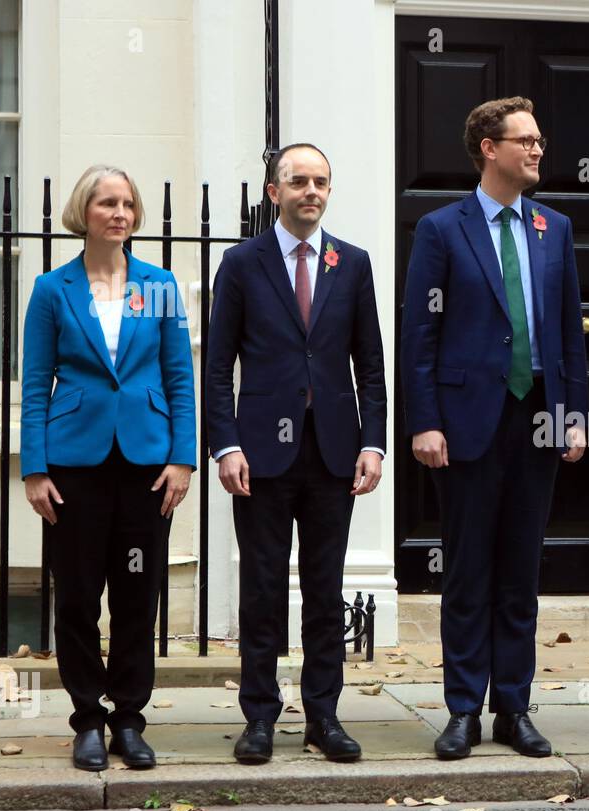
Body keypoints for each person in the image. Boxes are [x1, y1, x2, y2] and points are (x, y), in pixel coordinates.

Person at [401, 96, 589, 760]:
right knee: (469, 569)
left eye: (540, 140)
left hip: (535, 414)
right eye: (526, 140)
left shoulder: (554, 228)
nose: (538, 150)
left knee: (519, 569)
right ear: (489, 147)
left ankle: (514, 707)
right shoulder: (441, 230)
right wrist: (424, 420)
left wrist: (574, 415)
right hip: (466, 421)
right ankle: (461, 710)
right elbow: (419, 335)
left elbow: (568, 331)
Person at [206, 143, 388, 764]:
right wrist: (225, 444)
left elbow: (370, 362)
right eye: (299, 181)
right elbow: (216, 366)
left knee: (324, 587)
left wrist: (373, 441)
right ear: (273, 191)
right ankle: (259, 717)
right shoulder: (241, 264)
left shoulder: (352, 263)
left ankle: (323, 716)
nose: (311, 191)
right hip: (259, 456)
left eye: (322, 182)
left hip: (333, 452)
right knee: (261, 589)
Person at [21, 165, 195, 771]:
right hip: (74, 463)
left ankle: (128, 717)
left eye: (128, 203)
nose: (120, 213)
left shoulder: (161, 285)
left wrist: (182, 457)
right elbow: (35, 381)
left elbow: (179, 376)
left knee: (136, 592)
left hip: (147, 462)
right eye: (107, 203)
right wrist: (34, 467)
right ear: (83, 213)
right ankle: (87, 719)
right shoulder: (52, 289)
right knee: (76, 595)